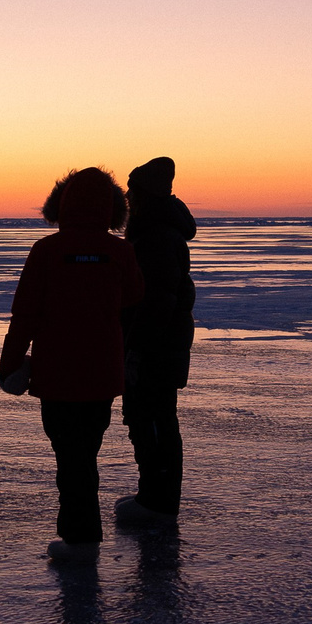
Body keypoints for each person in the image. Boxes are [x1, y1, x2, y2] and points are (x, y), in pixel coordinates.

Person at [0, 167, 143, 559]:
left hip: (58, 374)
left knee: (70, 455)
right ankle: (82, 533)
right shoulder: (121, 252)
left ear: (62, 204)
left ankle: (80, 539)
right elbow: (133, 298)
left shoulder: (46, 250)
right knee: (86, 452)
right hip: (101, 374)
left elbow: (24, 315)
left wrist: (9, 365)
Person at [117, 156, 197, 526]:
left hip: (156, 348)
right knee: (150, 417)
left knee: (151, 418)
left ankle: (158, 502)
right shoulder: (154, 233)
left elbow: (156, 301)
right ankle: (153, 494)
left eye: (133, 189)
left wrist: (137, 350)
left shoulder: (156, 238)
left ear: (145, 194)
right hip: (158, 344)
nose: (128, 196)